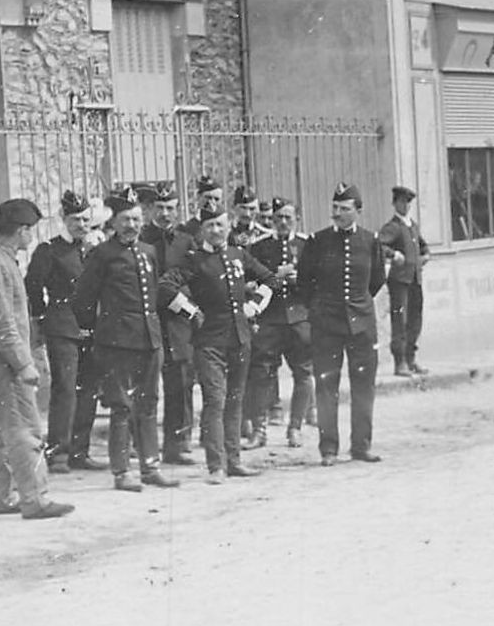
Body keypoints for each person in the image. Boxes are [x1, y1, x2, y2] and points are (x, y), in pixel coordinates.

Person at [0, 198, 73, 520]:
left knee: (2, 434)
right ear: (22, 230)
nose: (32, 238)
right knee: (26, 432)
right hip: (4, 366)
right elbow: (3, 324)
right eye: (31, 231)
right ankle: (35, 499)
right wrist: (24, 364)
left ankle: (1, 497)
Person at [72, 192, 181, 492]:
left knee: (148, 404)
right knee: (121, 406)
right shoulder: (103, 255)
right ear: (114, 222)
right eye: (125, 220)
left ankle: (150, 466)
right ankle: (122, 472)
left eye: (135, 219)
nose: (131, 225)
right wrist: (98, 333)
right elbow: (83, 299)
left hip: (149, 339)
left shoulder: (148, 251)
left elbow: (154, 294)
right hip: (116, 343)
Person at [160, 199, 273, 483]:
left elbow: (270, 279)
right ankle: (216, 466)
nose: (215, 230)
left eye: (220, 224)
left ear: (228, 226)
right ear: (202, 230)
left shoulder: (239, 255)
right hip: (209, 342)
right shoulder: (193, 260)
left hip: (240, 339)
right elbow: (164, 287)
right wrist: (191, 311)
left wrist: (254, 306)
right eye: (209, 225)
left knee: (235, 401)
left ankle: (233, 461)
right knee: (215, 400)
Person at [298, 183, 386, 467]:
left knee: (364, 386)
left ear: (358, 211)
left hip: (361, 325)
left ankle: (361, 446)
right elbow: (304, 282)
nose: (337, 214)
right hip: (327, 326)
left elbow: (376, 281)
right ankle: (329, 449)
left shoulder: (371, 241)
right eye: (335, 208)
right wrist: (322, 310)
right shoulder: (317, 241)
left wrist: (356, 308)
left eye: (344, 209)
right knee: (326, 387)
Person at [24, 190, 103, 473]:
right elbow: (32, 285)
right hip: (62, 325)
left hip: (91, 325)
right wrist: (42, 317)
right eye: (74, 220)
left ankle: (80, 452)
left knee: (89, 389)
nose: (81, 225)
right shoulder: (49, 250)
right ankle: (58, 452)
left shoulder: (94, 250)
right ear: (63, 219)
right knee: (66, 388)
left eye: (85, 219)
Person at [247, 199, 314, 447]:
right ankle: (259, 431)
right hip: (271, 321)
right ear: (272, 220)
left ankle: (295, 428)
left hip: (299, 320)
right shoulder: (260, 247)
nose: (283, 222)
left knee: (304, 373)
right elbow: (250, 282)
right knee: (261, 374)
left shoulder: (308, 245)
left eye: (288, 216)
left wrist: (302, 281)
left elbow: (318, 284)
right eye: (278, 218)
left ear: (297, 216)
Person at [140, 181, 197, 465]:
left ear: (178, 209)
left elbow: (191, 276)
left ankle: (177, 444)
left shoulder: (187, 242)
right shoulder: (141, 239)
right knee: (146, 387)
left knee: (180, 383)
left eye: (170, 208)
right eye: (160, 208)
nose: (165, 214)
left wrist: (168, 287)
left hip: (176, 323)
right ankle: (143, 446)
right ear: (150, 209)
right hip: (146, 321)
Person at [378, 185, 430, 376]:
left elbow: (424, 247)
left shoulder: (412, 226)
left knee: (415, 320)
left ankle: (411, 359)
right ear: (394, 203)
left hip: (415, 279)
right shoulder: (393, 227)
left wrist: (426, 256)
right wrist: (393, 254)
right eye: (401, 202)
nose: (405, 206)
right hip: (400, 281)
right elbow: (378, 245)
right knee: (400, 320)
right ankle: (399, 363)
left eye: (408, 202)